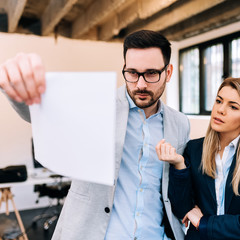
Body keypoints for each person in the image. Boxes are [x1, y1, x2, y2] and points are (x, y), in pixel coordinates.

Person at [0, 30, 190, 240]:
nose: (141, 84)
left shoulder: (180, 124)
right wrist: (13, 85)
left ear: (169, 72)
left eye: (152, 73)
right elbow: (35, 113)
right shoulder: (95, 105)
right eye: (133, 73)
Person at [156, 77, 240, 239]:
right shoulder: (194, 149)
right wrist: (179, 165)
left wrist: (203, 222)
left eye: (233, 107)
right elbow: (181, 209)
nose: (220, 110)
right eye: (219, 101)